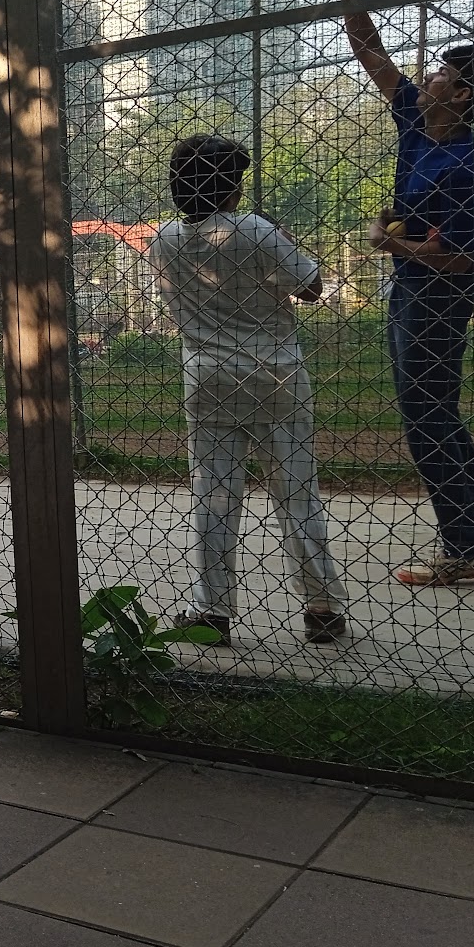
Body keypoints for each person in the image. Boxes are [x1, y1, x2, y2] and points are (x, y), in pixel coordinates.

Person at [333, 0, 474, 586]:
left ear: (463, 95)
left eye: (442, 70)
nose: (428, 73)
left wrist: (393, 243)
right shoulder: (416, 117)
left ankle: (466, 546)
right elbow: (368, 48)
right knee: (428, 409)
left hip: (436, 293)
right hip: (412, 286)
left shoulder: (463, 166)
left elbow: (457, 260)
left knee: (425, 413)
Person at [150, 135, 348, 646]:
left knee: (214, 498)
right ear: (231, 188)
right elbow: (310, 287)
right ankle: (322, 607)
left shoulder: (165, 238)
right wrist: (283, 239)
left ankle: (213, 612)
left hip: (208, 378)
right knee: (297, 495)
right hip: (274, 373)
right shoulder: (255, 230)